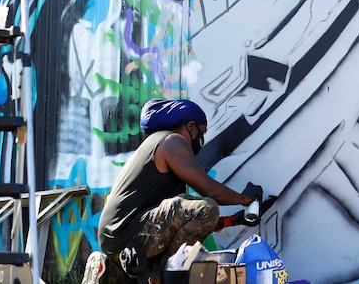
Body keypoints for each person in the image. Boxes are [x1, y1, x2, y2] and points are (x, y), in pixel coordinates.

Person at [82, 99, 265, 284]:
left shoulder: (157, 147)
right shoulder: (172, 141)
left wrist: (236, 219)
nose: (201, 140)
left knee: (192, 208)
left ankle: (110, 271)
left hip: (118, 238)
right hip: (128, 232)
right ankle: (164, 275)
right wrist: (245, 198)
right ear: (191, 127)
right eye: (201, 132)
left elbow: (182, 224)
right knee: (205, 207)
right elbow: (209, 192)